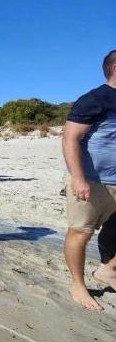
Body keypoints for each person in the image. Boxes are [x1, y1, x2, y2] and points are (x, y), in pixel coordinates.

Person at [62, 49, 116, 310]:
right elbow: (70, 137)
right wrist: (78, 178)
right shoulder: (95, 99)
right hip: (93, 181)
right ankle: (78, 284)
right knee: (80, 233)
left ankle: (107, 270)